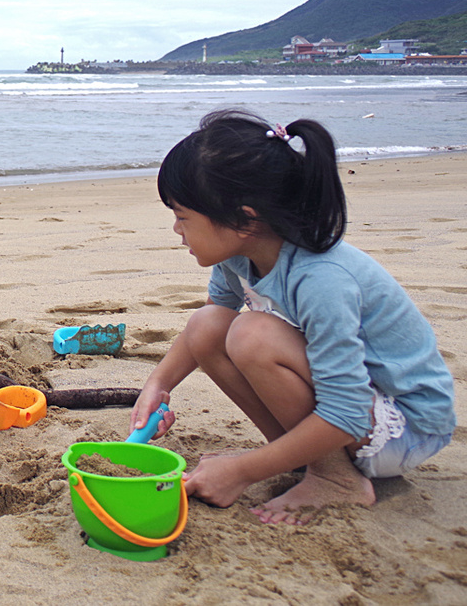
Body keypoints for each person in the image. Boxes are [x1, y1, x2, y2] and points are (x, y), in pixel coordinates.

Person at [134, 109, 455, 524]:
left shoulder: (322, 279)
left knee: (252, 335)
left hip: (404, 425)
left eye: (183, 217)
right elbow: (211, 323)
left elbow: (348, 411)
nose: (177, 230)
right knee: (209, 325)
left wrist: (244, 469)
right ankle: (299, 457)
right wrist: (157, 385)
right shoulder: (238, 256)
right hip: (353, 410)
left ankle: (336, 478)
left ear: (243, 220)